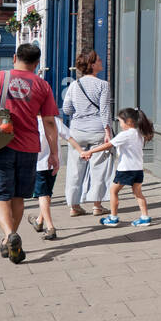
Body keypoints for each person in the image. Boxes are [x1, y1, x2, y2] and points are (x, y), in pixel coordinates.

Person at [0, 42, 60, 264]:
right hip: (29, 148)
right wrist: (54, 154)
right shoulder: (42, 85)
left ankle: (9, 235)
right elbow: (49, 122)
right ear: (37, 63)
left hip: (0, 144)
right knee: (19, 197)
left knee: (0, 196)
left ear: (14, 57)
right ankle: (8, 239)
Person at [60, 49, 113, 216]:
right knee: (99, 168)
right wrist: (108, 132)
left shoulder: (74, 85)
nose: (101, 61)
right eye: (98, 60)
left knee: (75, 169)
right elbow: (105, 111)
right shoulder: (103, 85)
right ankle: (97, 205)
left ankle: (74, 206)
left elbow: (67, 109)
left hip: (77, 132)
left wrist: (80, 112)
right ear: (91, 64)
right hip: (97, 130)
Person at [80, 108, 153, 227]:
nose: (120, 124)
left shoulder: (125, 135)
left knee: (113, 191)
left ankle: (113, 218)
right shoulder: (139, 133)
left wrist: (90, 151)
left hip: (125, 170)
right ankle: (145, 217)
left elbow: (108, 145)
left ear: (129, 121)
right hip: (138, 169)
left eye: (120, 122)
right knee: (138, 193)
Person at [28, 115, 61, 240]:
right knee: (47, 194)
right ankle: (39, 221)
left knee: (42, 195)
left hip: (38, 165)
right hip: (53, 164)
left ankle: (50, 227)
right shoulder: (54, 120)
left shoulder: (30, 122)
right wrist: (81, 151)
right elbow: (68, 136)